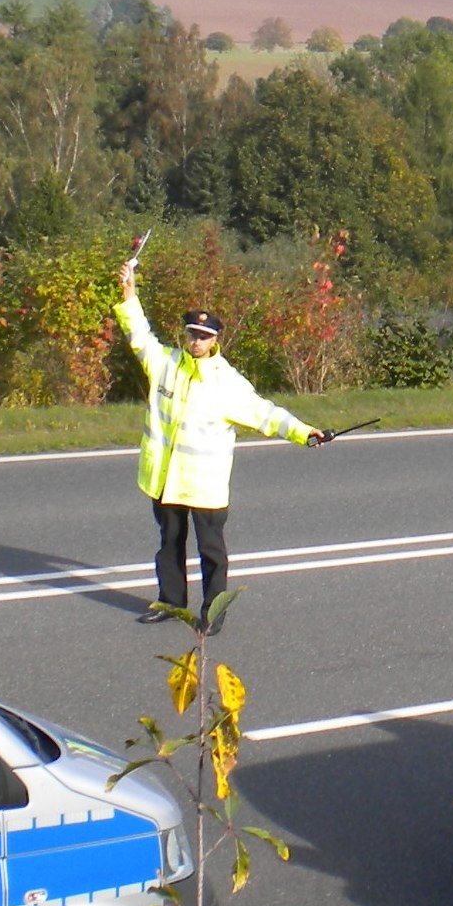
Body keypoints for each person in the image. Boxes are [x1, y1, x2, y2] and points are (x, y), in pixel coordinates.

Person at [114, 259, 329, 635]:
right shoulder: (165, 363)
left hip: (205, 486)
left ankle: (213, 613)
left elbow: (265, 413)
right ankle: (169, 601)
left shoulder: (226, 382)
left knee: (211, 552)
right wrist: (128, 291)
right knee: (170, 544)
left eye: (203, 335)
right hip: (166, 479)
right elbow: (138, 334)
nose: (195, 341)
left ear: (215, 340)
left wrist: (304, 431)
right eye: (191, 333)